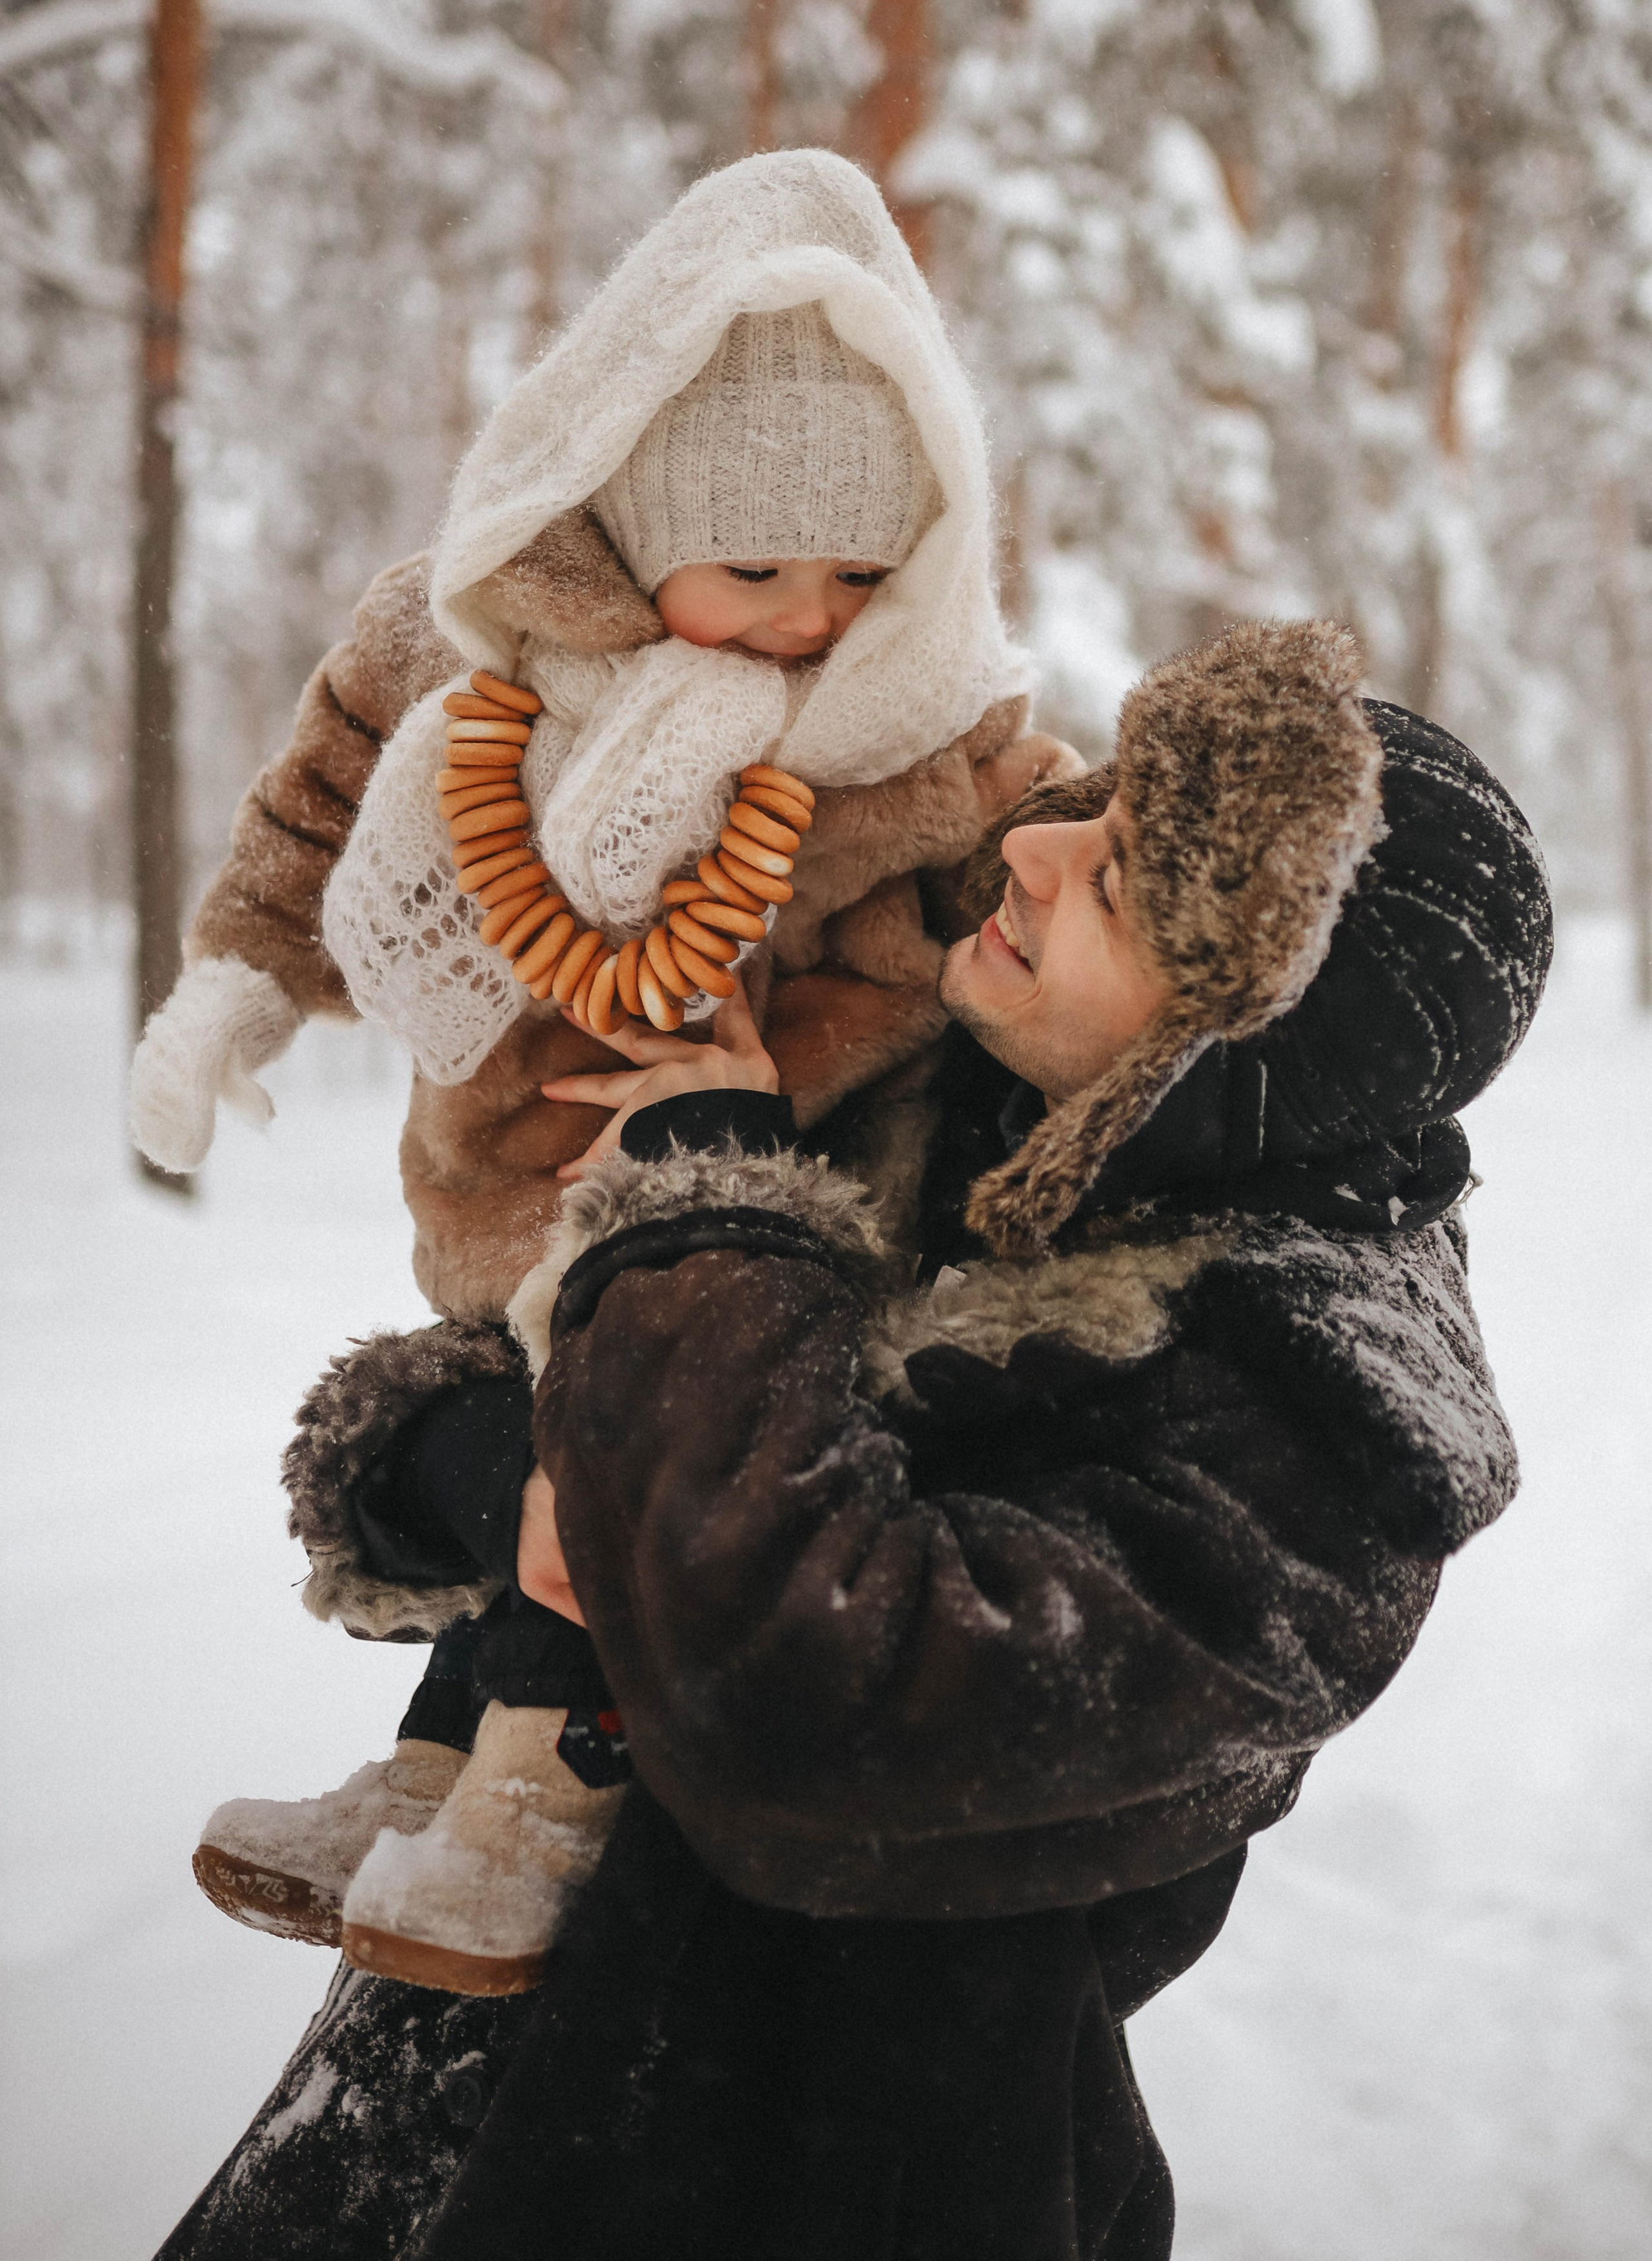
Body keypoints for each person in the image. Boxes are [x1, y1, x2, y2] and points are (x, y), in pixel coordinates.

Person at [157, 616, 1552, 2261]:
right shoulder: (976, 1105)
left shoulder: (1320, 1450)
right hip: (442, 2100)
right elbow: (528, 1414)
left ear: (1230, 1050)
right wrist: (476, 1473)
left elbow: (796, 1690)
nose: (1030, 848)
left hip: (824, 2177)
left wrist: (710, 1216)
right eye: (1089, 808)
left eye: (1113, 885)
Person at [128, 149, 1076, 1985]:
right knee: (511, 1410)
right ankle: (432, 1763)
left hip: (730, 1196)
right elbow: (322, 805)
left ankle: (543, 1791)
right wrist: (237, 990)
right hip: (499, 1170)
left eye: (861, 571)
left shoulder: (906, 730)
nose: (812, 616)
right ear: (632, 529)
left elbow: (973, 883)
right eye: (755, 567)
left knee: (605, 1437)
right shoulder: (472, 646)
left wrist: (775, 1063)